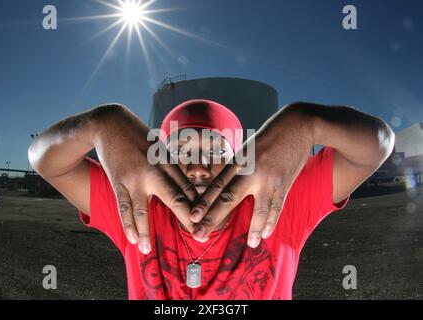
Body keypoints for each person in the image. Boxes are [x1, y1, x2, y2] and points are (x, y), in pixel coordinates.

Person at [28, 99, 395, 299]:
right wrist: (99, 122)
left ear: (245, 161)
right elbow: (46, 160)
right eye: (182, 149)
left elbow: (374, 146)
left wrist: (309, 121)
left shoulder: (276, 200)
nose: (200, 167)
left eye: (218, 149)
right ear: (156, 159)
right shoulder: (139, 203)